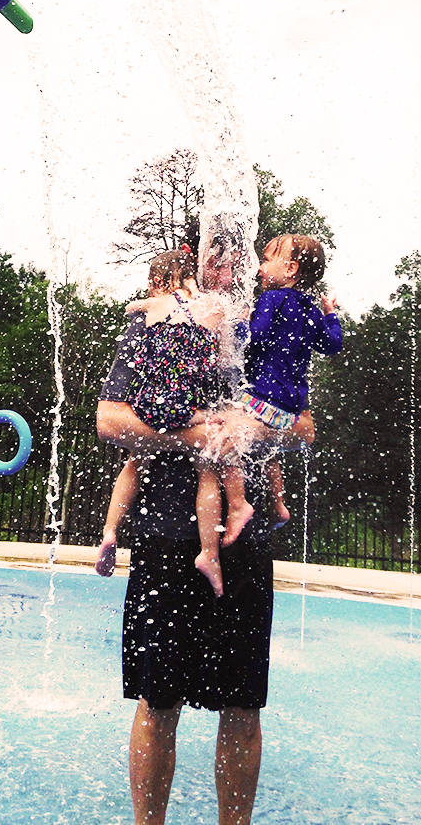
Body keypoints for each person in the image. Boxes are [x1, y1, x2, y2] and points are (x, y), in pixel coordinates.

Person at [96, 307, 315, 825]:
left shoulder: (267, 328)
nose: (224, 263)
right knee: (157, 701)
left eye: (231, 251)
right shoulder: (154, 327)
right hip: (164, 542)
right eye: (212, 252)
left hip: (246, 546)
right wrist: (192, 438)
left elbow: (303, 428)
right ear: (195, 258)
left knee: (242, 707)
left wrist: (248, 430)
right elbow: (110, 420)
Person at [95, 249, 252, 597]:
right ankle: (209, 552)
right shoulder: (210, 311)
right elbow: (223, 345)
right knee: (209, 460)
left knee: (136, 461)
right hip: (183, 407)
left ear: (156, 283)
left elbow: (131, 308)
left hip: (149, 405)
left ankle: (109, 531)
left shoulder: (150, 309)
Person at [220, 234, 342, 543]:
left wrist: (237, 323)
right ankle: (278, 504)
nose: (259, 267)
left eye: (265, 260)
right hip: (291, 408)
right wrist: (331, 314)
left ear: (290, 269)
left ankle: (238, 505)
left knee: (226, 436)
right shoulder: (311, 309)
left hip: (264, 396)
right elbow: (331, 344)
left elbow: (255, 338)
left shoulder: (271, 299)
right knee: (267, 449)